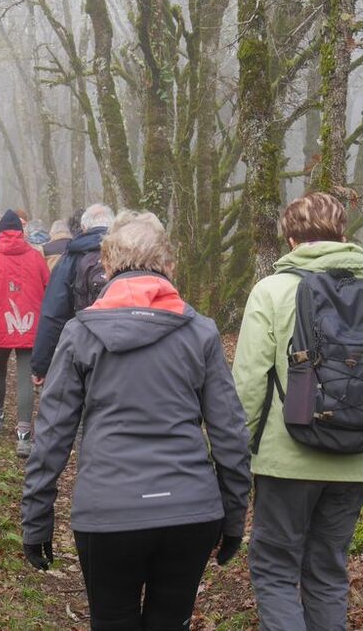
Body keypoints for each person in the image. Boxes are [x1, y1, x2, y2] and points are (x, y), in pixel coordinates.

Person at [21, 210, 251, 630]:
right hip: (189, 509)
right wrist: (233, 517)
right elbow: (230, 434)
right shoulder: (199, 332)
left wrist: (37, 520)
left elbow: (52, 436)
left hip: (109, 511)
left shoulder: (80, 333)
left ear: (107, 264)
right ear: (168, 265)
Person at [233, 192, 363, 631]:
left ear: (290, 239)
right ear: (342, 234)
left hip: (286, 460)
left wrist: (237, 451)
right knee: (328, 571)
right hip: (357, 460)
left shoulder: (272, 291)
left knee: (276, 568)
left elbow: (249, 382)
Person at [0, 210, 51, 457]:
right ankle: (24, 437)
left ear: (0, 233)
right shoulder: (36, 259)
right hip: (30, 326)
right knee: (25, 377)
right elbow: (49, 293)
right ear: (21, 232)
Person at [30, 203, 114, 384]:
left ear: (83, 227)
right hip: (121, 353)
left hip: (81, 349)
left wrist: (41, 365)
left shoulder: (71, 259)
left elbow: (53, 314)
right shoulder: (129, 255)